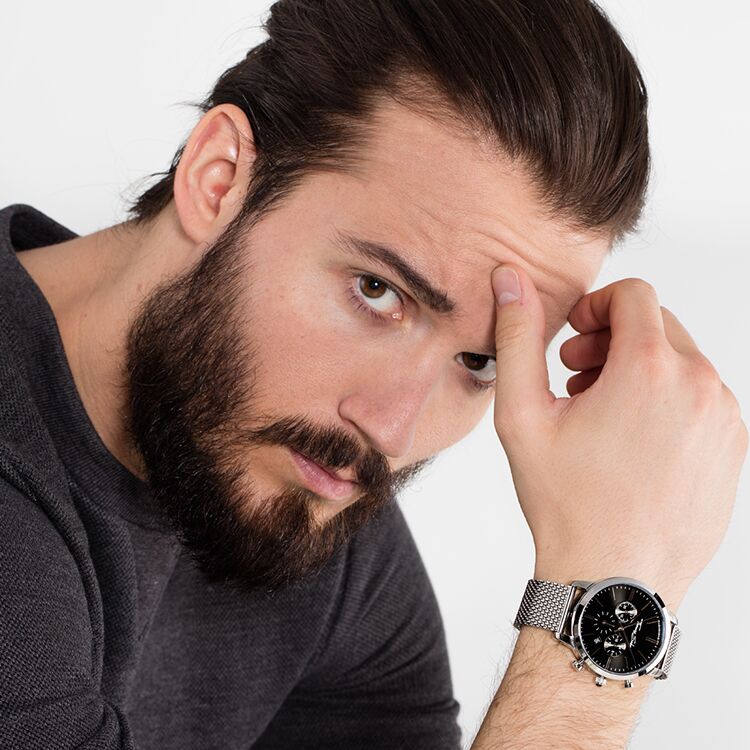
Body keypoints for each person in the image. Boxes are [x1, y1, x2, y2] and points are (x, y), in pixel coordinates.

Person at [1, 1, 745, 748]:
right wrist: (606, 596)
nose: (390, 431)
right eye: (377, 291)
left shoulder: (301, 479)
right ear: (218, 178)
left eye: (479, 361)